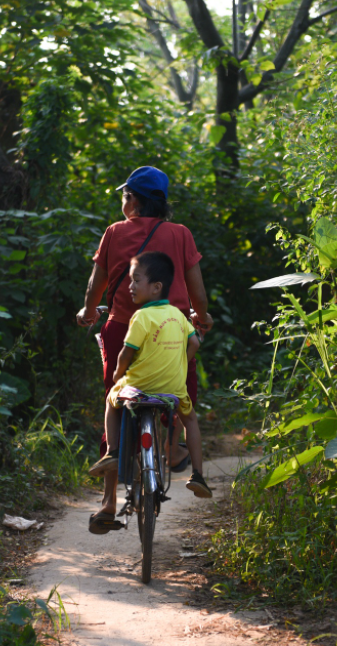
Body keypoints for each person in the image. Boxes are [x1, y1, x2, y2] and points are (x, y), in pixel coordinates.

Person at [75, 166, 214, 535]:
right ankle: (173, 449)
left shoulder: (114, 232)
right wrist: (201, 316)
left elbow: (96, 283)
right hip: (174, 329)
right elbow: (196, 289)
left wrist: (89, 312)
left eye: (125, 196)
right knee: (181, 394)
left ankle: (107, 502)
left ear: (133, 200)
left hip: (125, 329)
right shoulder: (181, 234)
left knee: (116, 399)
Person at [86, 252, 210, 505]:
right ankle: (198, 474)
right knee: (190, 419)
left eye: (136, 280)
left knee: (111, 400)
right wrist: (180, 364)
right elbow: (195, 342)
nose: (130, 286)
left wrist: (118, 374)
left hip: (139, 387)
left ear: (155, 288)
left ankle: (112, 452)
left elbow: (126, 353)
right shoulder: (178, 315)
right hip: (174, 388)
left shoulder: (141, 316)